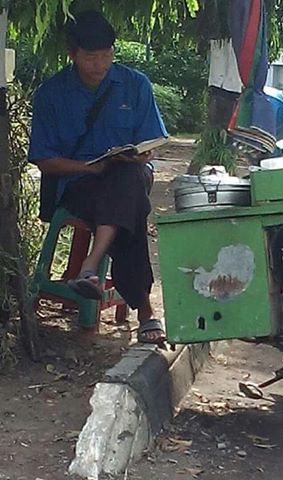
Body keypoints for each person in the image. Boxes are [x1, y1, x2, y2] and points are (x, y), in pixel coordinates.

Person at [28, 10, 168, 344]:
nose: (100, 65)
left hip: (129, 174)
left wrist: (140, 154)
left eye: (107, 56)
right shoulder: (51, 94)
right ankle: (145, 311)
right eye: (91, 57)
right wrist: (92, 168)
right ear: (72, 53)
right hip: (80, 184)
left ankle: (89, 266)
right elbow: (45, 160)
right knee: (128, 201)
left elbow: (152, 140)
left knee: (128, 178)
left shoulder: (135, 84)